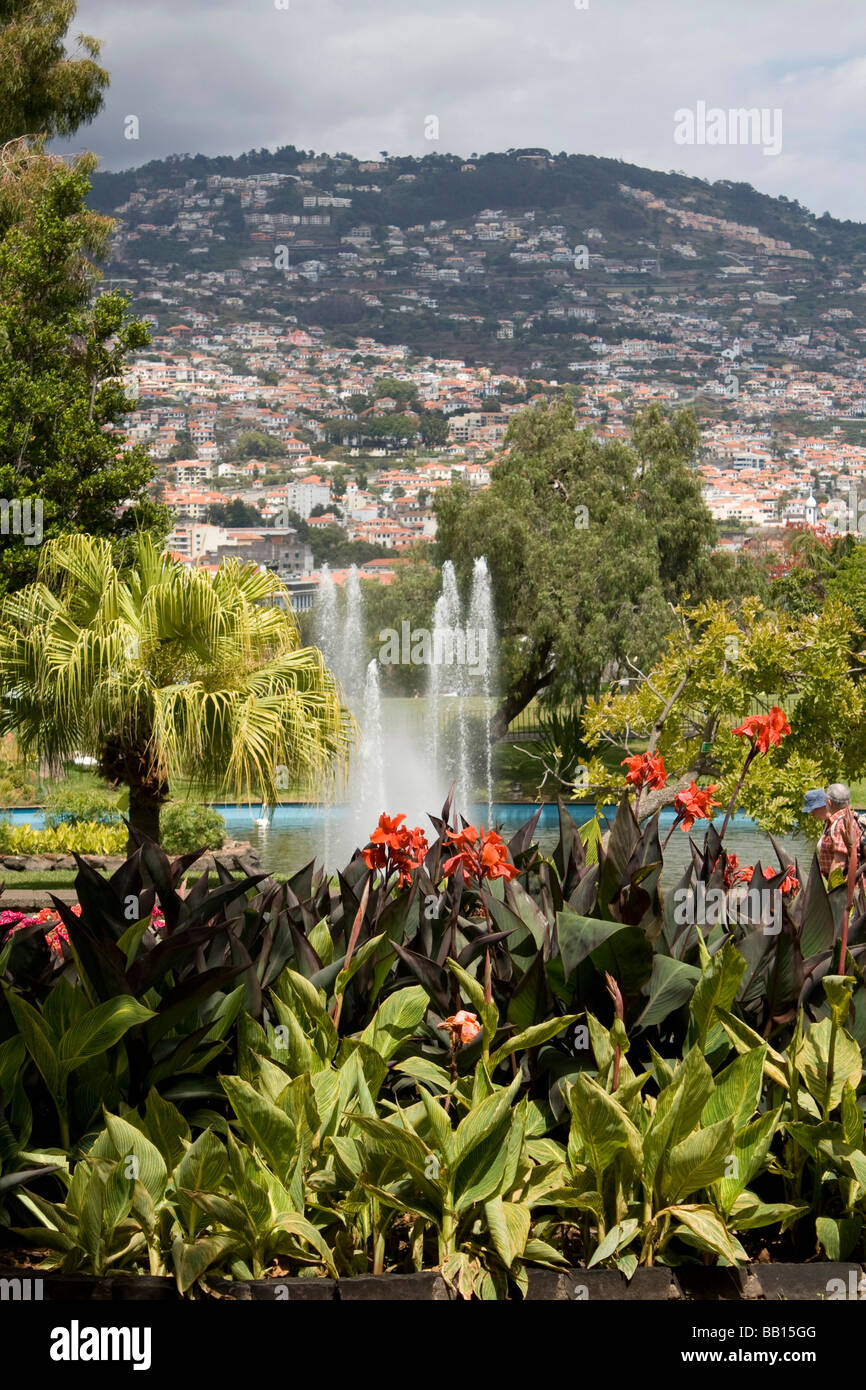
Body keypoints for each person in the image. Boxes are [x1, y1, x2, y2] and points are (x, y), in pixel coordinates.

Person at [817, 783, 856, 878]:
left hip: (845, 888)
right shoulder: (841, 820)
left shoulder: (842, 823)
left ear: (829, 802)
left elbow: (839, 863)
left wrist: (832, 891)